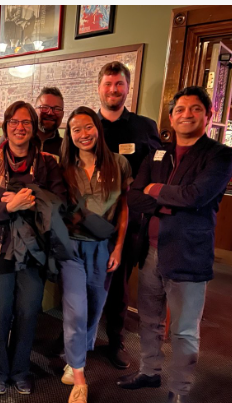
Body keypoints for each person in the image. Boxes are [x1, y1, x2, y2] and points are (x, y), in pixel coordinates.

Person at [117, 86, 232, 403]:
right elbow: (135, 196)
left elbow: (196, 196)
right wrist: (164, 198)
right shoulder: (159, 152)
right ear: (170, 116)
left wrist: (156, 189)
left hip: (187, 254)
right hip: (150, 250)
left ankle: (180, 390)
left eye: (195, 109)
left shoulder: (220, 155)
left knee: (183, 330)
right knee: (150, 320)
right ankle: (149, 372)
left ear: (208, 116)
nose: (187, 114)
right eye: (180, 109)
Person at [0, 100, 67, 395]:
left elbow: (58, 202)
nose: (19, 127)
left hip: (34, 249)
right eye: (14, 122)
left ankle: (20, 369)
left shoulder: (48, 163)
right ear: (5, 127)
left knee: (28, 310)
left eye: (26, 122)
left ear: (34, 128)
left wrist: (16, 200)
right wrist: (13, 204)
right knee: (0, 309)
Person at [59, 106, 132, 403]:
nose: (83, 134)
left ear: (98, 129)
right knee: (75, 309)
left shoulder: (119, 163)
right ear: (70, 135)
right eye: (76, 129)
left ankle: (76, 356)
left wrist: (118, 247)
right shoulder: (64, 167)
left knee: (94, 306)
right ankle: (79, 376)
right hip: (71, 247)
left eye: (88, 127)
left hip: (104, 247)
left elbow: (125, 208)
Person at [97, 61, 161, 369]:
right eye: (108, 84)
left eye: (119, 84)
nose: (113, 89)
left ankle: (115, 340)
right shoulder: (86, 124)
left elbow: (159, 167)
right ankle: (75, 336)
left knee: (119, 284)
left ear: (127, 87)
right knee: (82, 278)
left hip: (129, 219)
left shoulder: (144, 126)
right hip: (89, 220)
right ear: (99, 88)